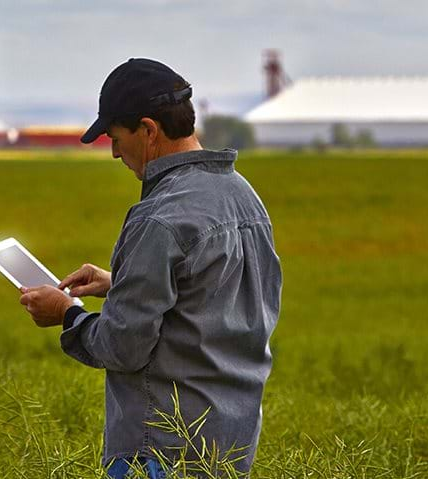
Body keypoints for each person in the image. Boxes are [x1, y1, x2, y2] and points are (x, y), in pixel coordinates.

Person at [18, 58, 283, 477]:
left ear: (149, 130)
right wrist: (119, 284)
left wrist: (65, 314)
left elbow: (123, 346)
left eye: (116, 137)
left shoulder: (158, 217)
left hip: (160, 448)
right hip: (230, 443)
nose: (114, 152)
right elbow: (220, 300)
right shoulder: (243, 198)